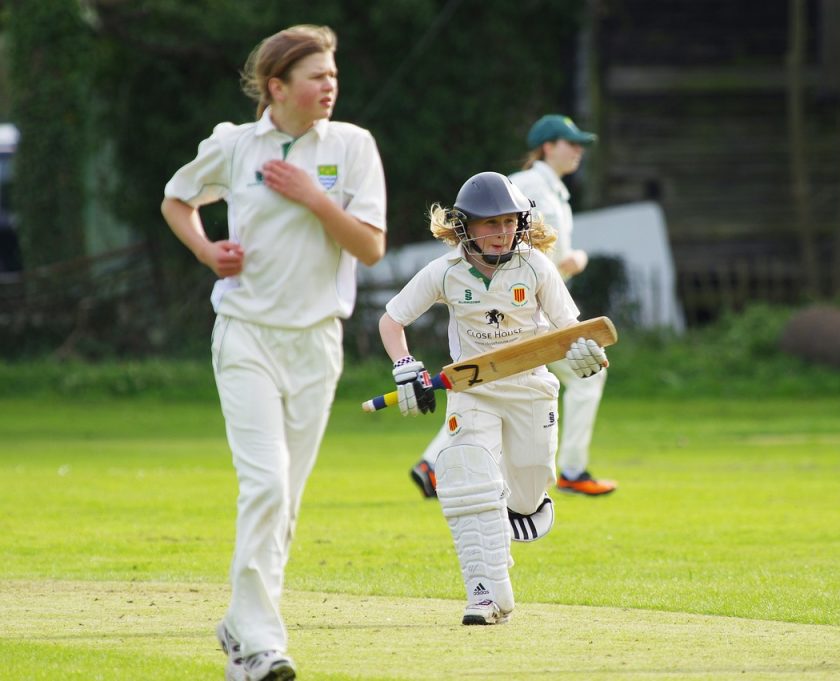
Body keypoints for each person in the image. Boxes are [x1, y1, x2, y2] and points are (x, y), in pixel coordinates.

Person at [160, 25, 386, 681]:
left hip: (317, 342)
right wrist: (208, 250)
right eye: (316, 76)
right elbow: (178, 198)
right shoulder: (234, 145)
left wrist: (314, 197)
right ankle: (260, 644)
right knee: (265, 484)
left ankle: (240, 626)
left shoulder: (352, 147)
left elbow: (370, 247)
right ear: (276, 86)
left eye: (334, 76)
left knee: (284, 501)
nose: (330, 86)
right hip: (247, 336)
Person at [379, 171, 608, 625]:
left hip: (530, 391)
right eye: (489, 223)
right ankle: (485, 594)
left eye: (509, 222)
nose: (501, 233)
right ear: (464, 225)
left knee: (524, 499)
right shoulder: (445, 272)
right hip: (472, 392)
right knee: (468, 479)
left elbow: (572, 330)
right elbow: (392, 320)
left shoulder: (535, 266)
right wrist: (405, 366)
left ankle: (505, 524)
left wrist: (587, 354)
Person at [409, 114, 616, 499]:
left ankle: (433, 463)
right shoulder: (526, 184)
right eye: (570, 142)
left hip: (542, 305)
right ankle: (571, 470)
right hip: (515, 309)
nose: (578, 151)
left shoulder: (558, 193)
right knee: (489, 377)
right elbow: (496, 236)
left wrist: (571, 262)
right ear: (547, 146)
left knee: (487, 378)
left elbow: (544, 252)